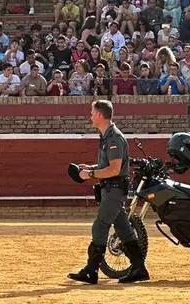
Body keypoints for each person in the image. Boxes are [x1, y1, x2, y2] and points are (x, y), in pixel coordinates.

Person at [68, 100, 149, 284]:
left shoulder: (113, 138)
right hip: (111, 189)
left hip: (114, 189)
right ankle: (139, 269)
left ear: (98, 115)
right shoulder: (107, 136)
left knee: (100, 225)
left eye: (91, 112)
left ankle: (91, 270)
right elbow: (109, 166)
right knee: (124, 230)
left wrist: (90, 174)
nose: (90, 116)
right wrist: (90, 167)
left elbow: (114, 169)